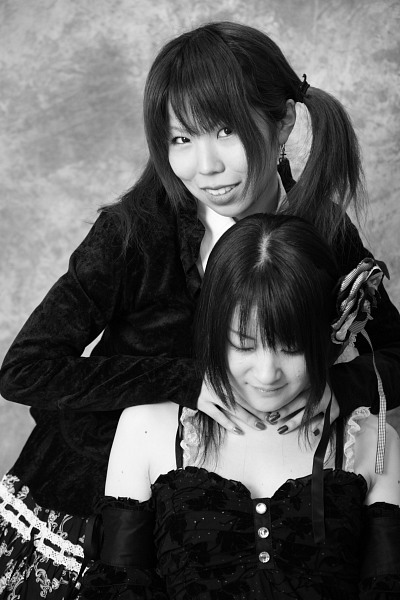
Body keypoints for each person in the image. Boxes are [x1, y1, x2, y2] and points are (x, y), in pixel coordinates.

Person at [0, 19, 399, 599]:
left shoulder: (323, 234)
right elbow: (25, 370)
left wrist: (333, 386)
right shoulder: (135, 233)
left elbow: (396, 352)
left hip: (247, 527)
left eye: (225, 131)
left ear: (283, 122)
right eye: (181, 139)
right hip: (99, 508)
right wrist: (188, 381)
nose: (205, 167)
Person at [80, 213, 400, 599]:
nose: (267, 374)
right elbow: (120, 587)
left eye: (292, 348)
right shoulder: (146, 428)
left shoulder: (373, 440)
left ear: (326, 335)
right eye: (244, 345)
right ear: (213, 331)